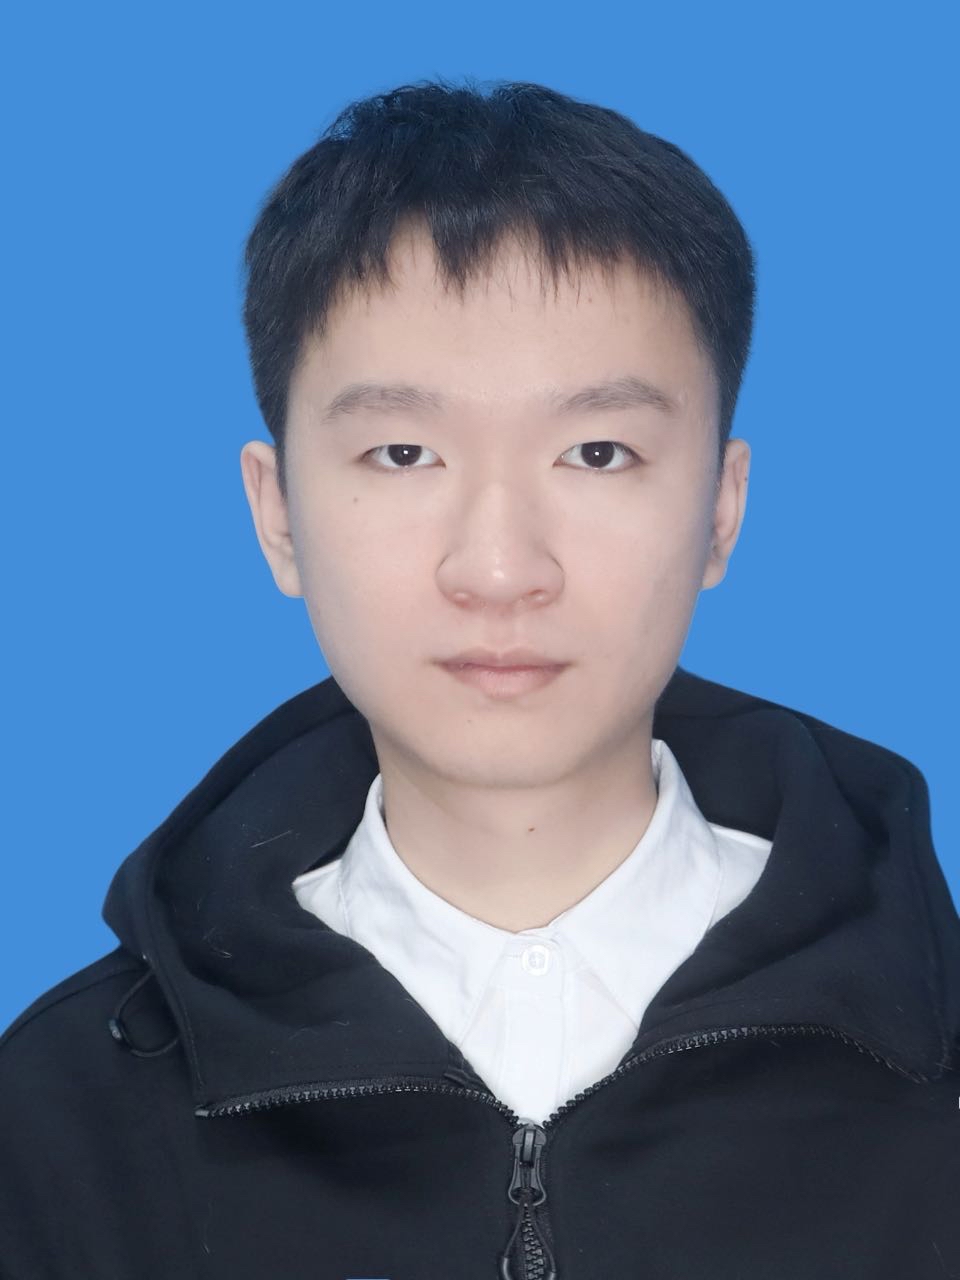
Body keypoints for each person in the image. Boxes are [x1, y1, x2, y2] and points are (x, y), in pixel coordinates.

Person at [1, 79, 957, 1280]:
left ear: (721, 507)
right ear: (277, 512)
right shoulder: (62, 1118)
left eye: (597, 451)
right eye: (403, 452)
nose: (500, 568)